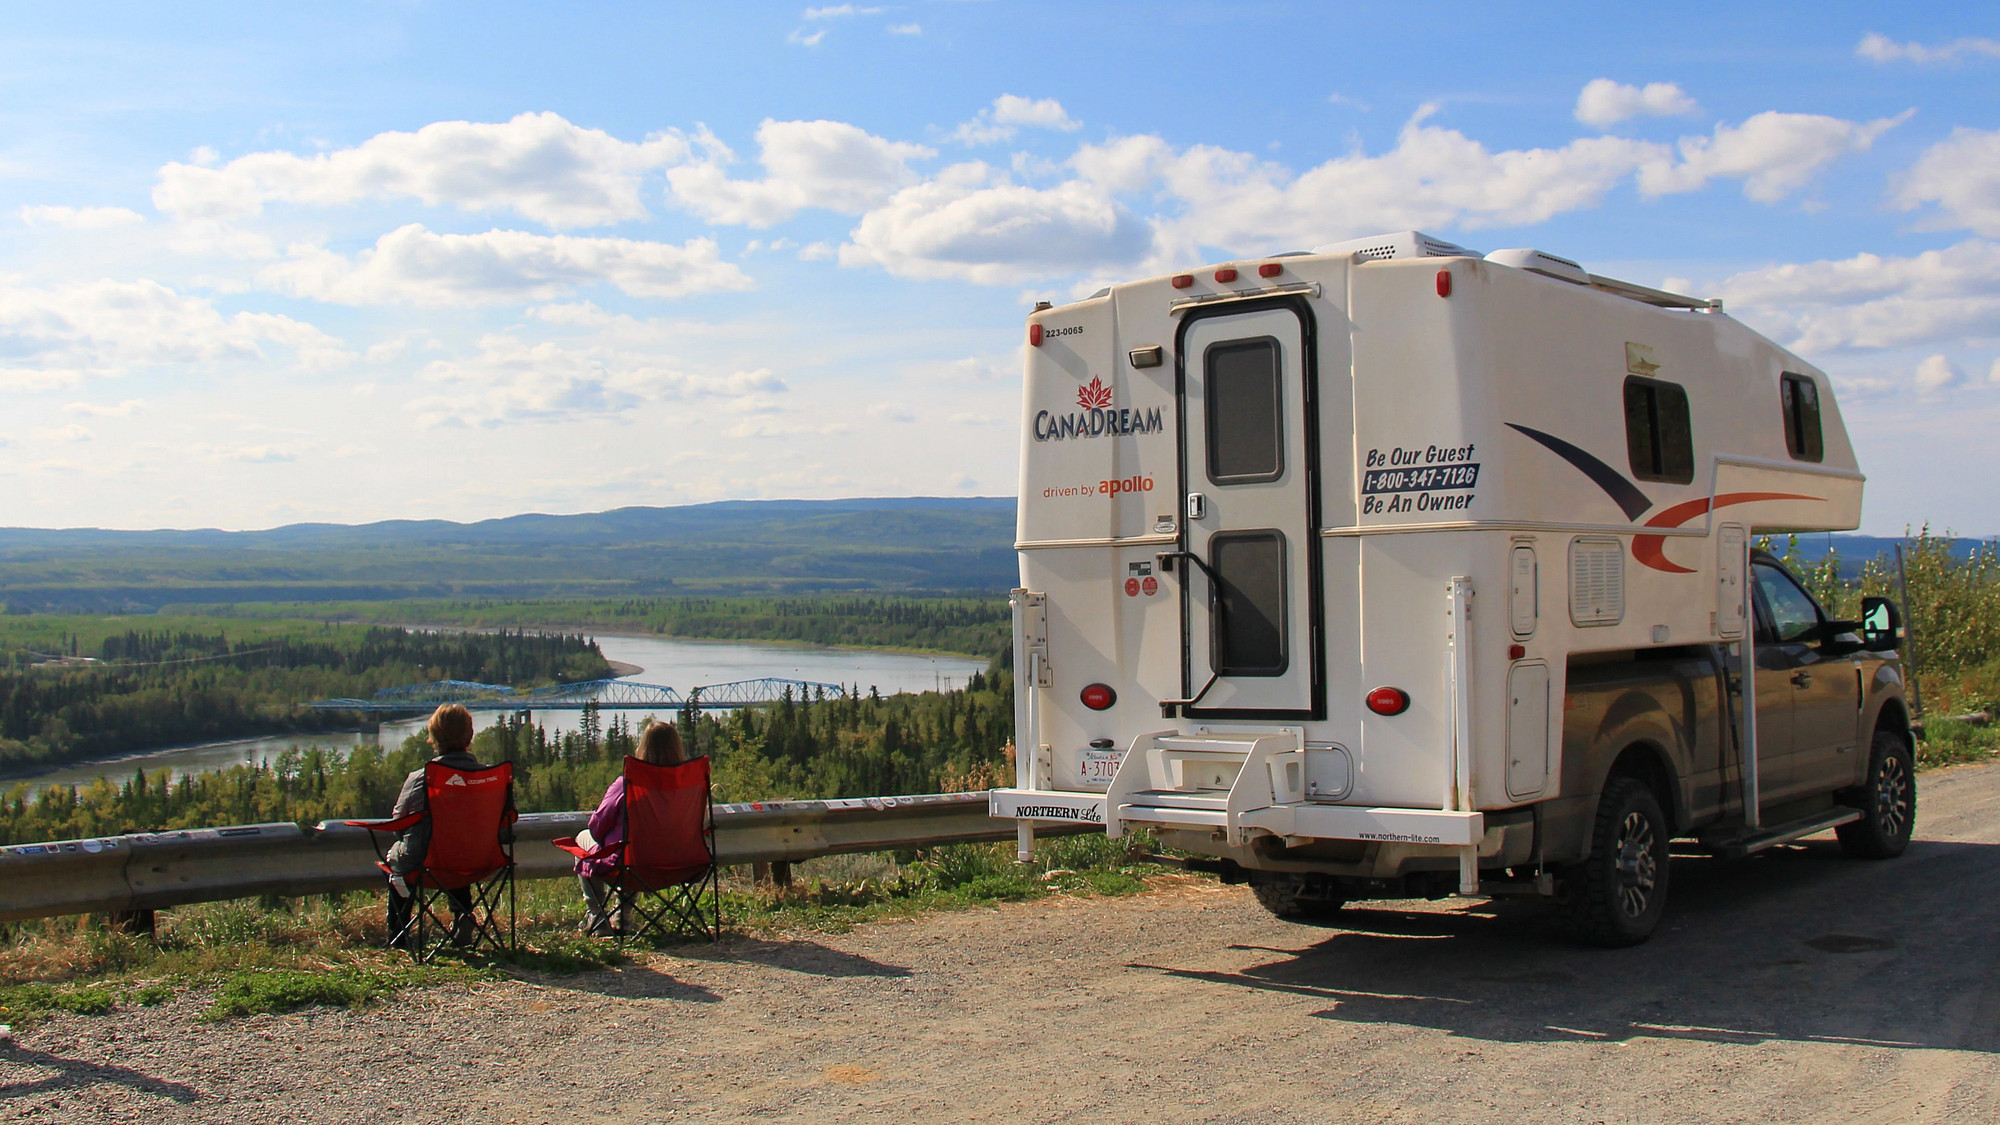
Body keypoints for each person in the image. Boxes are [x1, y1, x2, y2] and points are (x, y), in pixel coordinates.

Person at [383, 703, 489, 946]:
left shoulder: (420, 779)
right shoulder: (489, 777)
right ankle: (462, 914)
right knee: (457, 851)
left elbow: (398, 822)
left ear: (433, 737)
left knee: (398, 859)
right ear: (470, 735)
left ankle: (399, 934)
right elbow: (505, 824)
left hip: (429, 863)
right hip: (479, 860)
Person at [575, 719, 689, 936]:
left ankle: (597, 916)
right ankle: (622, 915)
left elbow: (596, 828)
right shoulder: (688, 784)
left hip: (634, 866)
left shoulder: (627, 784)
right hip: (681, 864)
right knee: (630, 850)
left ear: (642, 747)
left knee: (585, 838)